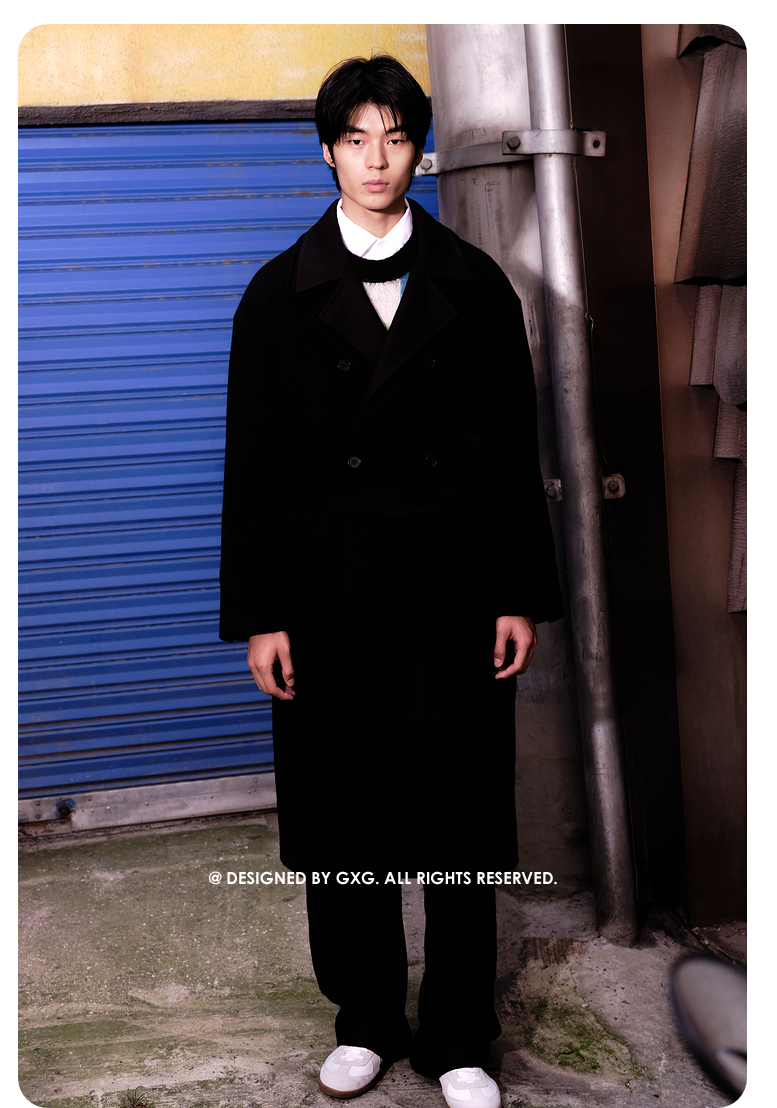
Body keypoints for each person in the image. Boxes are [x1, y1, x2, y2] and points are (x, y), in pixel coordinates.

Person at [219, 54, 563, 1108]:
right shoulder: (276, 295)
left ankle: (458, 1033)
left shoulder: (476, 284)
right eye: (357, 138)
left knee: (461, 812)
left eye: (397, 137)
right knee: (342, 813)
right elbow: (253, 468)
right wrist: (262, 615)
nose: (377, 159)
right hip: (325, 594)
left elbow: (512, 453)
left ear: (421, 150)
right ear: (327, 152)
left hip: (452, 584)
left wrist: (517, 592)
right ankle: (364, 1019)